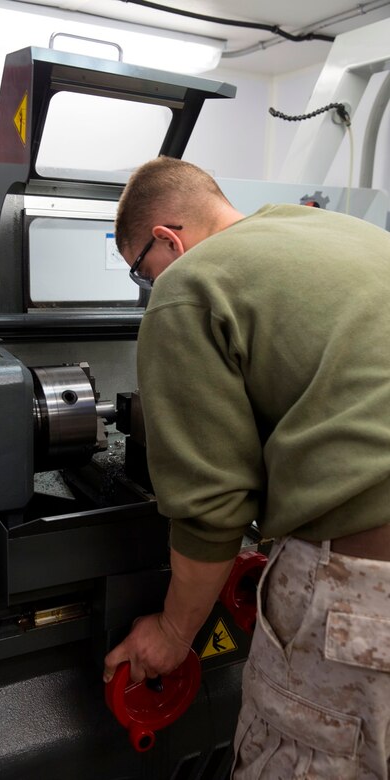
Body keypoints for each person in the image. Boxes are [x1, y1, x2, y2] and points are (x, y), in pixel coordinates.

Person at [103, 156, 390, 778]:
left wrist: (174, 633)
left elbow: (212, 512)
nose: (149, 287)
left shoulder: (190, 285)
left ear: (166, 238)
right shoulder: (356, 236)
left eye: (141, 272)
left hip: (364, 586)